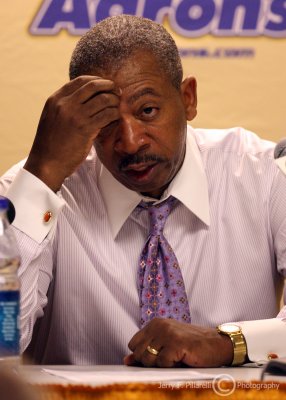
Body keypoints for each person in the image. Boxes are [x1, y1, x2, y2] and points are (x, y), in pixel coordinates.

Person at [0, 15, 285, 367]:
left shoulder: (265, 173)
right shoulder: (35, 189)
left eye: (148, 111)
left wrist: (229, 343)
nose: (130, 142)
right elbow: (3, 343)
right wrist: (42, 174)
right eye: (105, 121)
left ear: (188, 99)